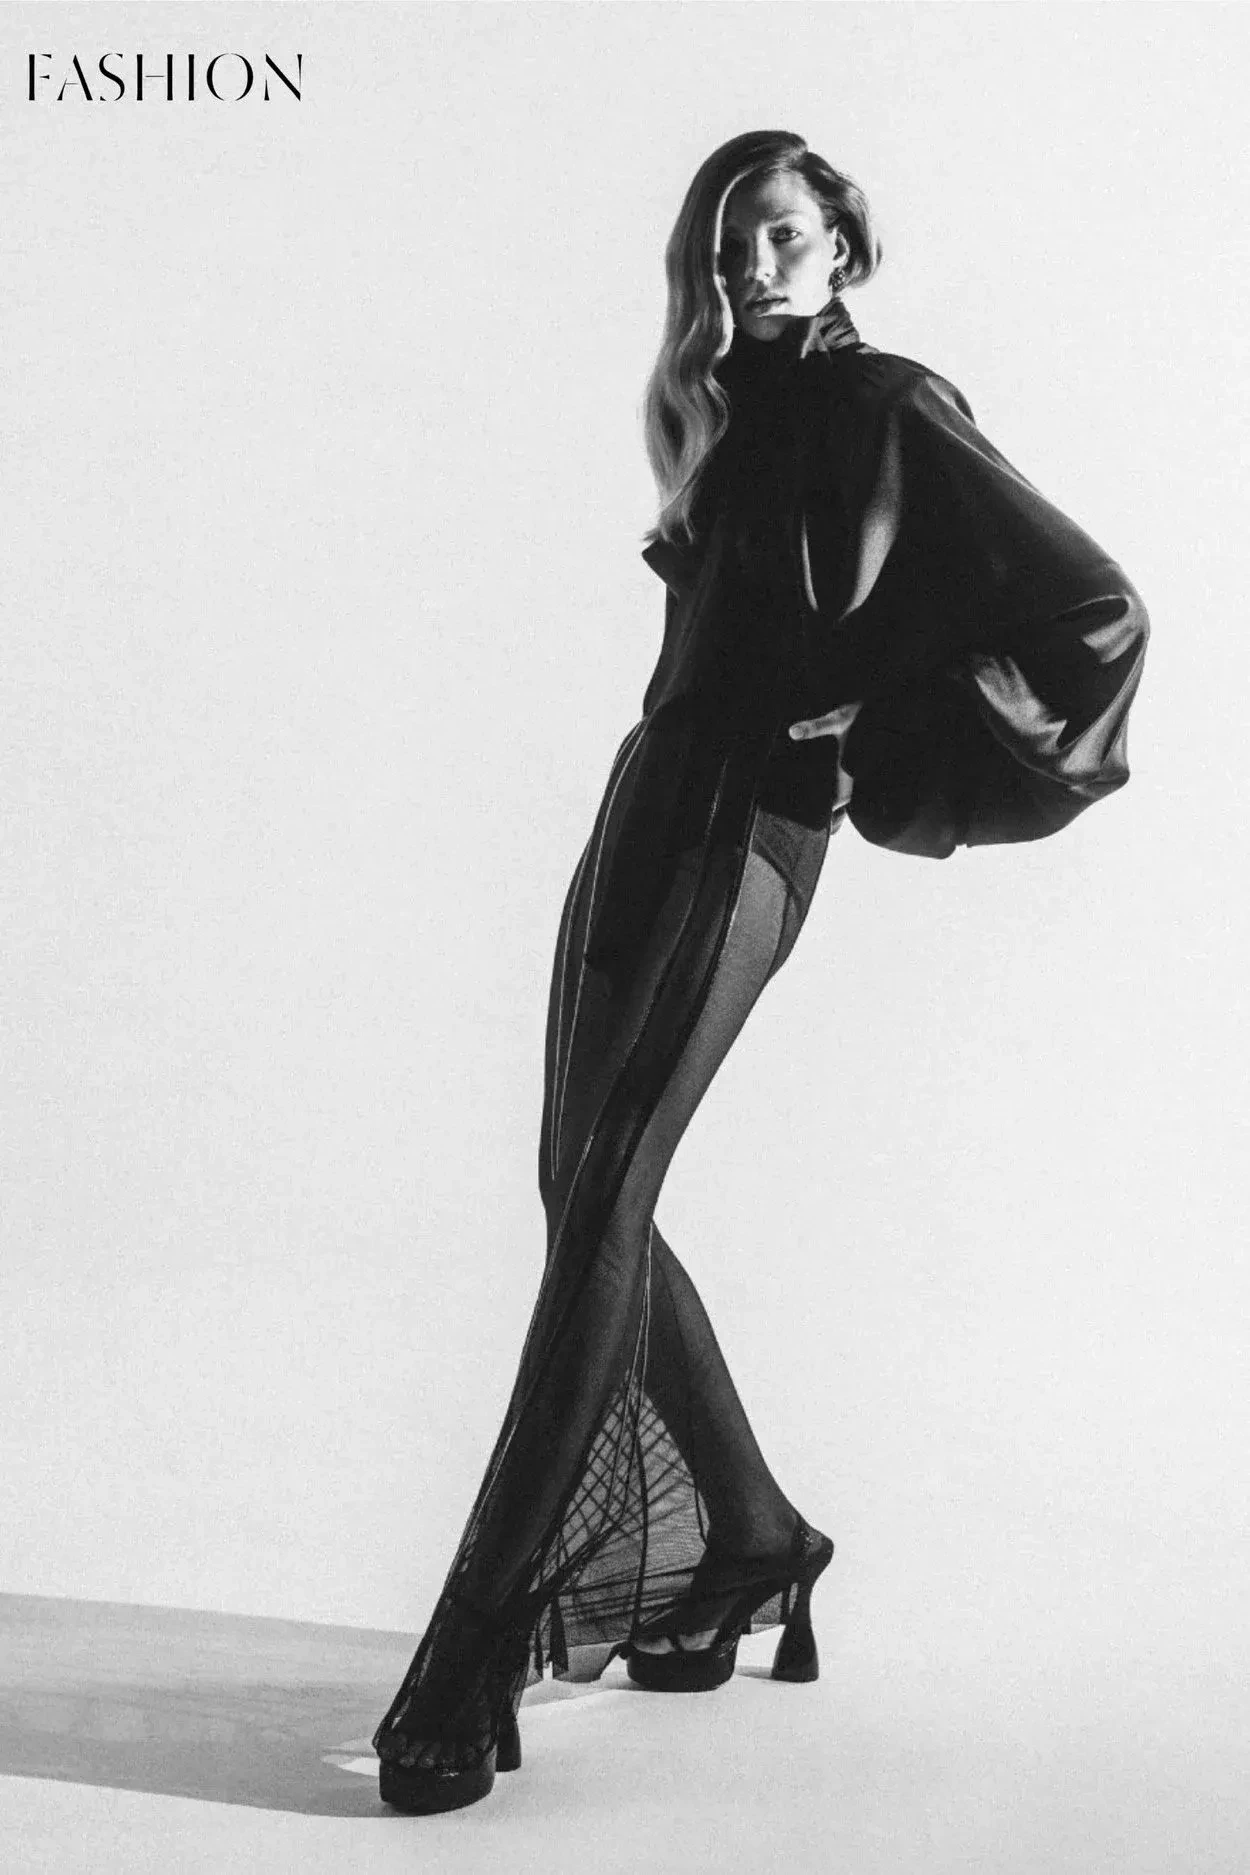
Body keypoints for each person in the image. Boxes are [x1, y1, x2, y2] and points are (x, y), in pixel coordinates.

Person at [372, 129, 1150, 1815]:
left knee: (604, 1191)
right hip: (650, 790)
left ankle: (470, 1647)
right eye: (729, 245)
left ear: (842, 246)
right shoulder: (727, 414)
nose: (752, 267)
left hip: (754, 819)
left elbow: (1094, 607)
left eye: (782, 237)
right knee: (574, 1178)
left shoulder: (890, 404)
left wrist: (880, 721)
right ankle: (746, 1533)